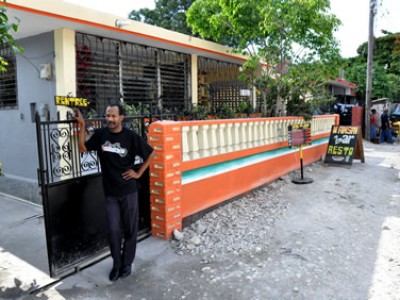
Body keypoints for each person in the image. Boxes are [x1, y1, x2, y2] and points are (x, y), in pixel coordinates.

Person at [74, 103, 155, 282]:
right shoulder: (101, 135)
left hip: (129, 192)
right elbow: (82, 149)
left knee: (130, 229)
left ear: (121, 118)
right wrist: (81, 126)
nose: (109, 119)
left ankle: (127, 263)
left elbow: (150, 154)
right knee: (113, 230)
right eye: (107, 116)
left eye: (113, 116)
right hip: (110, 193)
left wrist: (138, 173)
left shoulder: (131, 137)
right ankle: (116, 264)